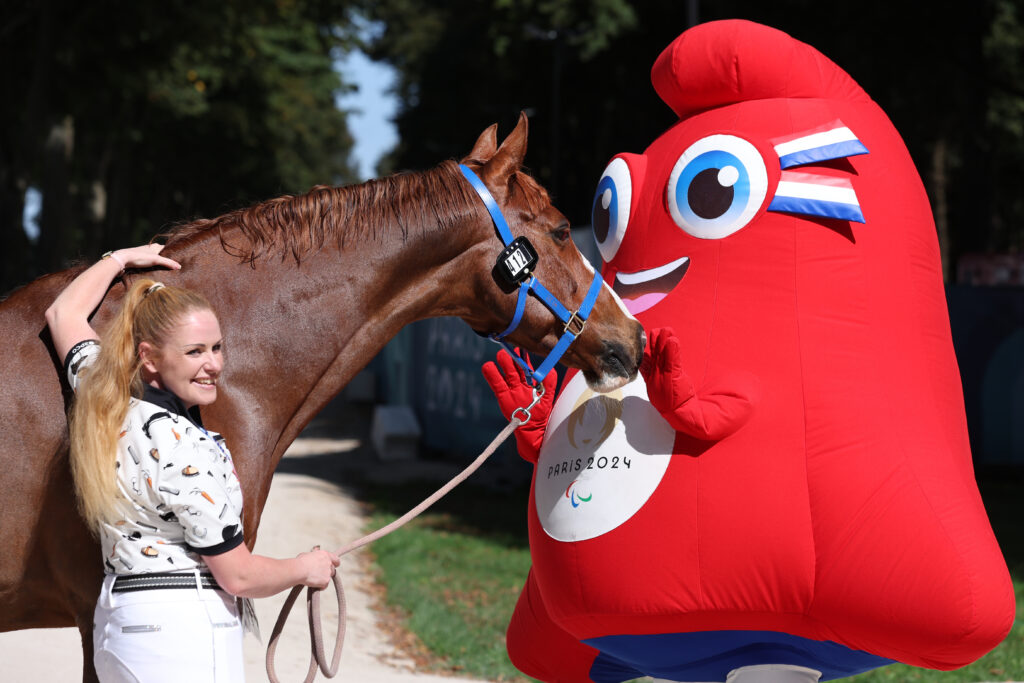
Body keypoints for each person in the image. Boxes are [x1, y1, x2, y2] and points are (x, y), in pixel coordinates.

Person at [46, 243, 340, 683]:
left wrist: (119, 260)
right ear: (148, 357)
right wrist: (305, 568)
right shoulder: (184, 447)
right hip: (181, 637)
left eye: (217, 347)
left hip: (119, 631)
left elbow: (63, 316)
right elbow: (237, 576)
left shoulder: (101, 399)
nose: (214, 365)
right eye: (195, 352)